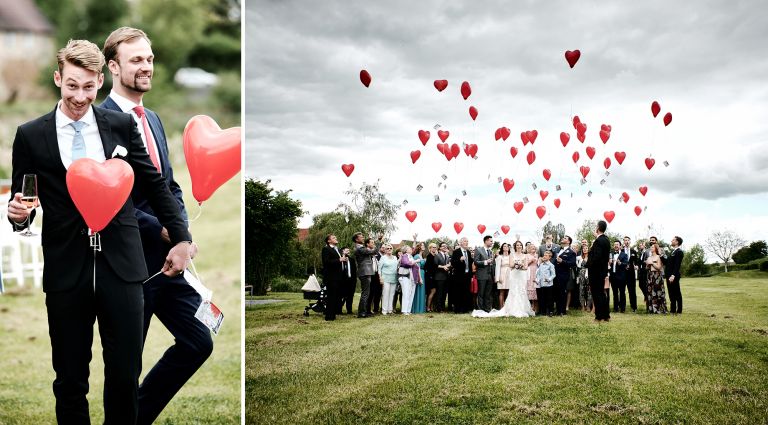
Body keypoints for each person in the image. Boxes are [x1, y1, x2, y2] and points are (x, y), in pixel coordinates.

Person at [6, 39, 191, 424]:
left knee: (124, 378)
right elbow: (24, 205)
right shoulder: (30, 135)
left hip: (123, 269)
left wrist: (183, 237)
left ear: (99, 83)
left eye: (88, 87)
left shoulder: (121, 125)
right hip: (65, 271)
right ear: (58, 78)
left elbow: (156, 186)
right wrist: (19, 215)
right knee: (70, 380)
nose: (80, 96)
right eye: (72, 85)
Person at [99, 27, 212, 423]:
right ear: (113, 67)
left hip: (170, 262)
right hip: (129, 267)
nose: (146, 66)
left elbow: (170, 184)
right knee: (125, 368)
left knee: (199, 342)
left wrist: (182, 236)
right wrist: (159, 229)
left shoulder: (156, 119)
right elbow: (109, 198)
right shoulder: (100, 123)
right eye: (135, 60)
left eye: (149, 58)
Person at [587, 220, 611, 322]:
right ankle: (606, 316)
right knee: (601, 293)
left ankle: (599, 316)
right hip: (602, 271)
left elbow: (596, 257)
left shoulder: (599, 241)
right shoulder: (606, 239)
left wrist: (588, 264)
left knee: (597, 294)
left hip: (596, 271)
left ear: (597, 228)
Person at [321, 235, 347, 321]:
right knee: (331, 296)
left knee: (336, 296)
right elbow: (326, 262)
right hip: (331, 277)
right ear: (329, 241)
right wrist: (339, 260)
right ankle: (329, 316)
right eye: (333, 238)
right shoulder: (326, 249)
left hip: (338, 276)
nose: (336, 238)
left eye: (336, 237)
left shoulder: (336, 249)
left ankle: (333, 314)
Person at [353, 233, 378, 318]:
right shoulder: (360, 248)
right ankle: (362, 313)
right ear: (356, 239)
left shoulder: (360, 247)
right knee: (365, 294)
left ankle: (364, 312)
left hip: (365, 271)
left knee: (366, 293)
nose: (363, 238)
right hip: (364, 272)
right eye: (361, 237)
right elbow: (373, 251)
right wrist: (378, 242)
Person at [553, 236, 576, 315]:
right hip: (555, 275)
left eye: (565, 238)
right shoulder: (558, 250)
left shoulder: (571, 252)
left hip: (563, 275)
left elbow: (573, 264)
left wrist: (562, 261)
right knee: (556, 292)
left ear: (569, 242)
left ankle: (562, 311)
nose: (563, 239)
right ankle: (558, 310)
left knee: (562, 293)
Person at [450, 237, 473, 313]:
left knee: (466, 292)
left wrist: (471, 275)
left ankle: (465, 309)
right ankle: (457, 309)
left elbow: (470, 264)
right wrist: (459, 260)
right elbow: (453, 263)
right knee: (458, 292)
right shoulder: (456, 252)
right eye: (465, 241)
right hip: (459, 276)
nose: (467, 243)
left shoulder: (468, 252)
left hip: (467, 275)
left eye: (467, 241)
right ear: (461, 243)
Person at [474, 235, 495, 313]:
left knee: (488, 294)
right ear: (486, 241)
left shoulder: (491, 251)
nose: (492, 243)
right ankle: (480, 309)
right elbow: (476, 262)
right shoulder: (478, 250)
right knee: (481, 293)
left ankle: (487, 309)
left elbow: (492, 264)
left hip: (490, 275)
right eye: (491, 241)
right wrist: (486, 262)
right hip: (481, 275)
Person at [397, 245, 421, 315]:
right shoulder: (404, 256)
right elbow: (407, 264)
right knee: (406, 293)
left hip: (412, 278)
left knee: (411, 294)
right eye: (409, 248)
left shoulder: (411, 256)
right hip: (405, 277)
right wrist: (416, 261)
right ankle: (404, 310)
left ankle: (408, 310)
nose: (411, 249)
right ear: (406, 250)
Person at [645, 243, 667, 314]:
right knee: (650, 292)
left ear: (655, 249)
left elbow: (659, 267)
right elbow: (646, 268)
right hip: (650, 276)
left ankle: (659, 309)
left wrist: (652, 263)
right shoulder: (649, 257)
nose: (651, 248)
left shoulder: (658, 257)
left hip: (657, 276)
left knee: (657, 292)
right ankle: (651, 309)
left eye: (652, 247)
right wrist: (647, 265)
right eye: (650, 247)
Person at [608, 241, 629, 313]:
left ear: (620, 246)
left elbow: (626, 264)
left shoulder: (624, 255)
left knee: (622, 292)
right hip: (613, 276)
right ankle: (615, 308)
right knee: (615, 293)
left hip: (621, 277)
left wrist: (620, 263)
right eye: (614, 245)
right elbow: (608, 265)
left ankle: (622, 308)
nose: (616, 246)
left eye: (617, 244)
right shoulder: (611, 254)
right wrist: (609, 263)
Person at [378, 244, 398, 315]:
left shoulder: (395, 258)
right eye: (387, 248)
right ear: (385, 250)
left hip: (394, 278)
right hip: (385, 278)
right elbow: (379, 268)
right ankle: (384, 311)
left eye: (390, 248)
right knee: (385, 294)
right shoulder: (383, 258)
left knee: (392, 294)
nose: (389, 249)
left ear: (392, 249)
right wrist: (380, 278)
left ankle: (390, 310)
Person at [666, 236, 684, 314]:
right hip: (668, 275)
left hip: (674, 276)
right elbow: (667, 263)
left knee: (677, 293)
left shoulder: (679, 252)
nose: (671, 241)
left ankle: (679, 310)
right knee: (671, 293)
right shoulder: (672, 252)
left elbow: (677, 265)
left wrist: (673, 275)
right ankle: (672, 310)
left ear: (677, 242)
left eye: (673, 240)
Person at [535, 250, 556, 317]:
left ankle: (550, 311)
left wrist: (549, 279)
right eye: (544, 255)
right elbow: (538, 274)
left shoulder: (551, 265)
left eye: (546, 255)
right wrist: (537, 280)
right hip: (541, 284)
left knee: (549, 298)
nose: (544, 256)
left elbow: (553, 274)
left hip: (549, 285)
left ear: (549, 257)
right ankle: (543, 311)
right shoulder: (541, 265)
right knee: (542, 298)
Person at [622, 236, 639, 313]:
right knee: (622, 291)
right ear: (623, 242)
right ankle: (622, 307)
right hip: (622, 273)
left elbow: (636, 261)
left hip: (631, 274)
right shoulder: (621, 251)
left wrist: (636, 265)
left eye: (628, 240)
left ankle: (634, 307)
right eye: (625, 240)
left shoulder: (633, 251)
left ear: (630, 241)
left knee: (632, 291)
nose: (626, 241)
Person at [433, 242, 451, 312]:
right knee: (439, 293)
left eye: (446, 246)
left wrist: (449, 266)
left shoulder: (447, 256)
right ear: (440, 247)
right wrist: (443, 267)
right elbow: (435, 265)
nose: (445, 247)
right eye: (443, 246)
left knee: (444, 293)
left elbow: (449, 265)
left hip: (446, 277)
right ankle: (438, 308)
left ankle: (443, 307)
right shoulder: (437, 255)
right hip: (439, 277)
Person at [411, 240, 427, 314]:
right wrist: (419, 278)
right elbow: (417, 267)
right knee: (417, 290)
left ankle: (420, 308)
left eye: (424, 245)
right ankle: (416, 308)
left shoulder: (422, 256)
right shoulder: (417, 256)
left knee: (421, 290)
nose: (423, 246)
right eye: (422, 245)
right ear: (419, 247)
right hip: (418, 273)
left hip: (423, 273)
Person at [339, 248, 356, 314]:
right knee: (341, 296)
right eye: (347, 250)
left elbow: (354, 271)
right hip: (342, 281)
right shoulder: (340, 259)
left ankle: (349, 310)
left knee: (350, 296)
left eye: (349, 250)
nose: (349, 251)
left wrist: (354, 281)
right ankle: (339, 310)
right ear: (342, 251)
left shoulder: (352, 260)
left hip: (351, 281)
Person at [494, 243, 512, 307]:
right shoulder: (500, 257)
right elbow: (497, 268)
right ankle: (501, 307)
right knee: (502, 292)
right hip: (502, 274)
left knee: (508, 291)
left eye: (507, 246)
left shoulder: (511, 256)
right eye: (504, 246)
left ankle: (507, 307)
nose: (506, 247)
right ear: (502, 248)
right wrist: (498, 278)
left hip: (509, 274)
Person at [576, 243, 592, 312]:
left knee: (589, 290)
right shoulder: (579, 257)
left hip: (589, 274)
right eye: (583, 248)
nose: (585, 249)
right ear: (582, 250)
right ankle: (582, 306)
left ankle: (588, 306)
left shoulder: (591, 257)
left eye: (586, 248)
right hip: (581, 274)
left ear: (588, 250)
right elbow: (578, 267)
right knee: (581, 289)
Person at [424, 243, 438, 312]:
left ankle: (431, 307)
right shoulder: (429, 256)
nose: (434, 248)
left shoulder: (435, 256)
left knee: (433, 292)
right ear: (430, 248)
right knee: (432, 291)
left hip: (434, 276)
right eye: (433, 247)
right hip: (430, 277)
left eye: (435, 247)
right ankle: (428, 307)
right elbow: (428, 267)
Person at [637, 240, 650, 311]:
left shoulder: (647, 252)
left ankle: (647, 298)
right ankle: (646, 296)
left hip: (645, 271)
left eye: (641, 245)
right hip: (641, 271)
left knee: (644, 285)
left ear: (644, 245)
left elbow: (648, 260)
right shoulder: (641, 253)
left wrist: (646, 262)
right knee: (640, 285)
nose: (640, 246)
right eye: (639, 245)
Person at [525, 243, 538, 313]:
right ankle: (531, 306)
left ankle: (536, 306)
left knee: (535, 287)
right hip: (529, 272)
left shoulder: (537, 255)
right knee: (530, 287)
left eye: (534, 247)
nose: (533, 248)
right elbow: (525, 264)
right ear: (529, 249)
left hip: (536, 271)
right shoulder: (527, 255)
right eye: (532, 247)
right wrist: (531, 261)